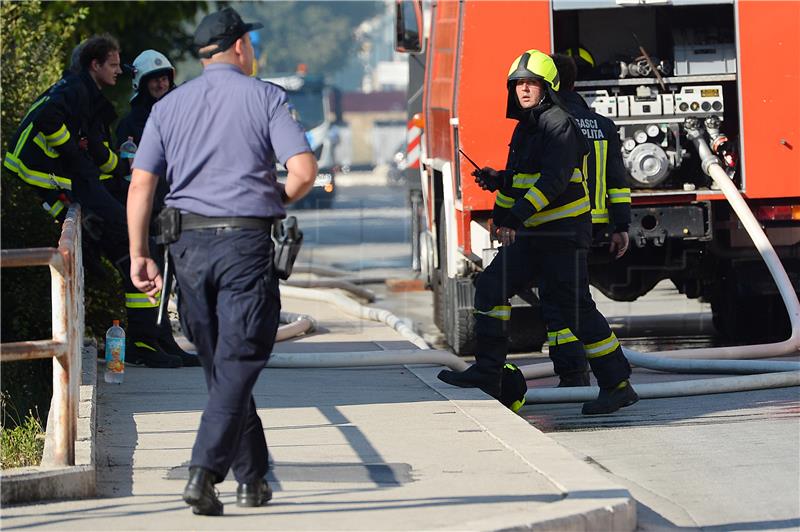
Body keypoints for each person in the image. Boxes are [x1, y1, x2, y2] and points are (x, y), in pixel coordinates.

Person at [126, 7, 317, 515]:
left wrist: (138, 253)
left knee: (221, 366)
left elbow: (142, 183)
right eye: (250, 44)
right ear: (239, 47)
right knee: (238, 363)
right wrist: (273, 196)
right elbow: (302, 171)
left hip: (186, 251)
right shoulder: (266, 97)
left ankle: (252, 479)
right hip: (244, 249)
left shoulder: (169, 106)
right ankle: (204, 470)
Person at [436, 49, 638, 416]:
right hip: (534, 234)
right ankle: (488, 372)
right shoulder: (527, 126)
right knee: (490, 287)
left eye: (531, 83)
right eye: (518, 84)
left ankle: (617, 383)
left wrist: (515, 216)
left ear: (548, 87)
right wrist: (499, 199)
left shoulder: (560, 124)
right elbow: (519, 178)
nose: (523, 90)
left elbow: (554, 180)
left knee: (575, 310)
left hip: (562, 235)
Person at [3, 34, 182, 369]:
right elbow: (48, 121)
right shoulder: (74, 89)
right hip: (44, 172)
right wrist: (73, 153)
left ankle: (150, 337)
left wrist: (116, 167)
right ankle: (143, 340)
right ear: (94, 65)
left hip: (62, 180)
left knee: (125, 244)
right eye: (113, 64)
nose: (119, 71)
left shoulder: (88, 94)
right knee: (130, 239)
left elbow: (98, 152)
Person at [543, 53, 632, 387]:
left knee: (561, 301)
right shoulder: (603, 126)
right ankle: (601, 374)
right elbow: (617, 182)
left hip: (560, 226)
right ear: (575, 82)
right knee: (571, 297)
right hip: (593, 225)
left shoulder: (550, 124)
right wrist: (621, 226)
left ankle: (578, 374)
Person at [115, 49, 199, 367]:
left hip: (175, 207)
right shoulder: (132, 124)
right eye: (155, 79)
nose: (161, 83)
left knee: (171, 276)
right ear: (143, 83)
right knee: (153, 276)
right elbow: (130, 173)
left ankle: (164, 339)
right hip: (148, 213)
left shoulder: (179, 114)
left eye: (165, 77)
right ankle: (144, 343)